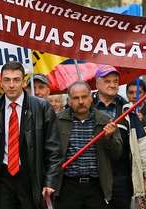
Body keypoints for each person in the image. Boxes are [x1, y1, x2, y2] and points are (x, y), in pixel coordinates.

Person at [0, 61, 60, 209]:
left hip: (31, 177)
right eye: (7, 80)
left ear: (23, 82)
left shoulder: (42, 108)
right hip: (1, 177)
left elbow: (54, 149)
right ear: (0, 82)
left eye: (16, 79)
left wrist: (50, 181)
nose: (11, 85)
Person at [92, 65, 146, 209]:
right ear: (97, 83)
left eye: (115, 81)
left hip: (122, 178)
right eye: (107, 81)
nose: (113, 84)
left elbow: (142, 144)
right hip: (94, 177)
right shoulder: (87, 107)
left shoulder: (128, 110)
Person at [54, 81, 121, 209]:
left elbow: (117, 154)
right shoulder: (58, 121)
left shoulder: (105, 121)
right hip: (68, 186)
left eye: (84, 97)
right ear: (69, 101)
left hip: (96, 186)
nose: (80, 101)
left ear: (91, 98)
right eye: (76, 98)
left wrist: (109, 138)